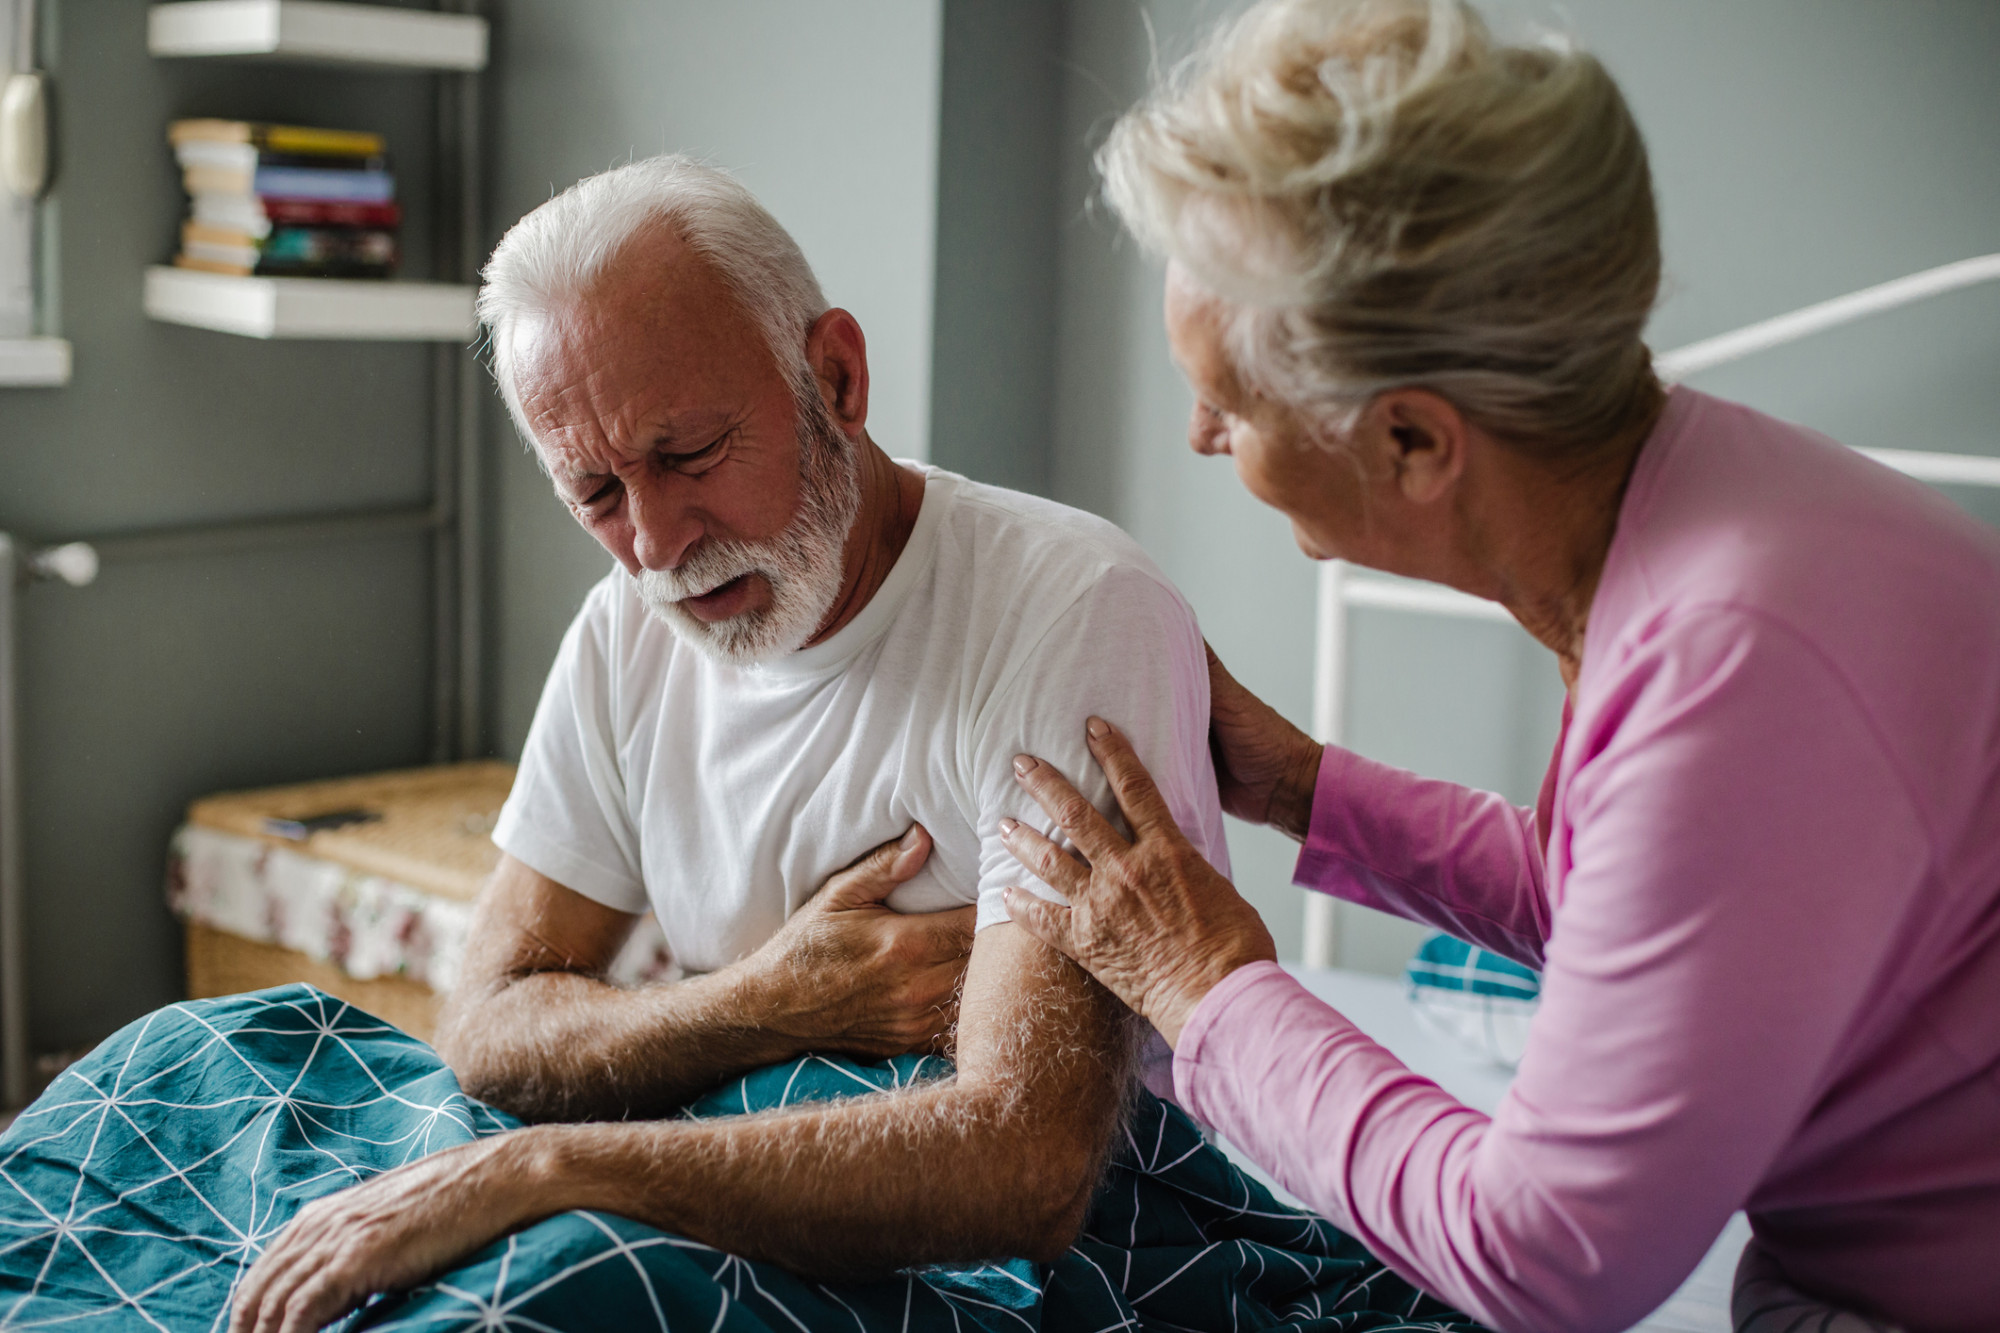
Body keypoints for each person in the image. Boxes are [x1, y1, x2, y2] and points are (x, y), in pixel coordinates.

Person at [993, 2, 2000, 1331]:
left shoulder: (1735, 669)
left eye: (1228, 405)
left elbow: (1548, 1256)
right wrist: (1307, 786)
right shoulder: (1714, 493)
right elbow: (1641, 917)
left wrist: (1211, 990)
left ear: (1412, 441)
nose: (1194, 435)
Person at [230, 155, 1228, 1332]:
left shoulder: (1062, 611)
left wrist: (548, 1167)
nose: (654, 545)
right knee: (211, 1060)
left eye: (689, 457)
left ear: (837, 378)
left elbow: (1024, 1160)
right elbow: (491, 1025)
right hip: (729, 1152)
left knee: (527, 1296)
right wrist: (768, 1001)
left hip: (1018, 1253)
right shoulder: (627, 629)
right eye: (595, 494)